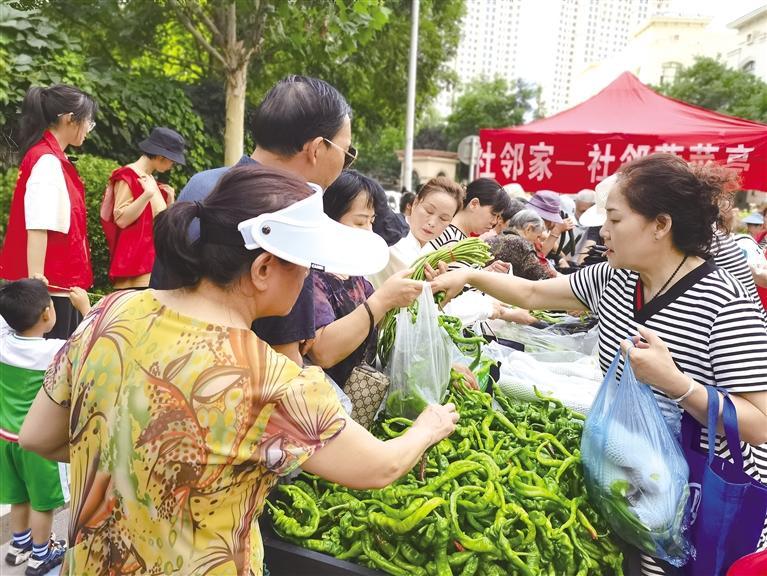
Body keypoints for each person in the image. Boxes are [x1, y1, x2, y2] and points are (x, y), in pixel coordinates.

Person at [18, 165, 459, 576]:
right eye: (304, 266)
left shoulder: (110, 312)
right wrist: (428, 427)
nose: (308, 278)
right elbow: (378, 467)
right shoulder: (272, 381)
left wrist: (131, 461)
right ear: (264, 268)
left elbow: (37, 436)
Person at [429, 153, 767, 575]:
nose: (603, 231)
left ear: (660, 225)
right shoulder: (615, 277)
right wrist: (469, 275)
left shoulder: (726, 304)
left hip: (691, 500)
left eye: (615, 219)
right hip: (626, 480)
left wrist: (676, 383)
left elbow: (757, 424)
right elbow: (534, 295)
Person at [150, 75, 361, 365]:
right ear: (316, 148)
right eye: (346, 152)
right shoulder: (292, 217)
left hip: (162, 361)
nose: (345, 165)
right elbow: (285, 359)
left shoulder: (201, 184)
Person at [0, 279, 90, 575]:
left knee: (18, 496)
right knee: (42, 503)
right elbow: (87, 342)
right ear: (47, 314)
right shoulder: (52, 351)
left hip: (5, 439)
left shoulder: (2, 341)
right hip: (37, 443)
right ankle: (41, 554)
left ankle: (18, 545)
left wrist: (26, 288)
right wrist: (85, 308)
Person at [308, 170, 423, 386]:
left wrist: (425, 286)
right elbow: (323, 352)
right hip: (321, 406)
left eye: (371, 221)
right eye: (360, 222)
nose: (369, 231)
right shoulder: (311, 277)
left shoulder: (357, 278)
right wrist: (383, 300)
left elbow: (385, 327)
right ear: (329, 219)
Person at [0, 84, 97, 339]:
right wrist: (37, 288)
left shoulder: (47, 157)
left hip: (53, 289)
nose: (89, 129)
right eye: (88, 122)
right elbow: (38, 226)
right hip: (51, 292)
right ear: (69, 119)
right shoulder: (47, 161)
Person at [101, 127, 187, 289]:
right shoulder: (128, 175)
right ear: (161, 157)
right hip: (134, 270)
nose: (172, 166)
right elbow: (121, 219)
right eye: (172, 161)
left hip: (150, 266)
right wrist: (147, 194)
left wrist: (169, 203)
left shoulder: (149, 179)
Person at [369, 177, 465, 289]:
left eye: (443, 218)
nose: (432, 223)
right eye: (428, 211)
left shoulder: (433, 252)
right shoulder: (390, 232)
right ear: (415, 203)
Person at [427, 177, 511, 251]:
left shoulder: (453, 235)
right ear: (474, 204)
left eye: (498, 216)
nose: (494, 222)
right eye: (493, 214)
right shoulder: (451, 238)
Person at [488, 209, 555, 281]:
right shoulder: (521, 244)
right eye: (537, 236)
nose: (537, 241)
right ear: (528, 229)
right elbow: (542, 277)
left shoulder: (491, 239)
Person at [527, 190, 575, 269]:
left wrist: (562, 259)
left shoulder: (538, 231)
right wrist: (556, 230)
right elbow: (535, 263)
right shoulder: (529, 228)